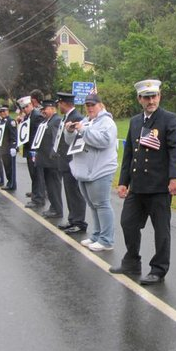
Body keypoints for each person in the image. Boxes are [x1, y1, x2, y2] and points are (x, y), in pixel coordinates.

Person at [115, 79, 176, 285]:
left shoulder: (168, 119)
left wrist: (175, 177)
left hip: (159, 186)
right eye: (146, 97)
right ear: (139, 99)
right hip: (137, 186)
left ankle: (158, 269)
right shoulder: (135, 121)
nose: (151, 100)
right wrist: (123, 181)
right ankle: (132, 261)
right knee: (127, 222)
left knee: (161, 230)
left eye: (154, 96)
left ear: (159, 97)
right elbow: (129, 153)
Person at [63, 92, 118, 251]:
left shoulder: (107, 122)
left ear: (100, 105)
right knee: (92, 205)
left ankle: (107, 240)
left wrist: (83, 131)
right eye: (87, 105)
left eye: (92, 105)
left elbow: (104, 141)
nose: (90, 108)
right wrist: (70, 131)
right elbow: (70, 142)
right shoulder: (86, 121)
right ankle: (96, 235)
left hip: (100, 170)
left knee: (102, 204)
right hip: (84, 171)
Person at [55, 92, 87, 234]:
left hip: (72, 162)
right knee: (69, 192)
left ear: (63, 103)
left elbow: (77, 143)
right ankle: (72, 218)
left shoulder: (77, 118)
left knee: (75, 193)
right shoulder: (67, 117)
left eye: (59, 103)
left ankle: (79, 222)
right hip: (65, 161)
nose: (58, 106)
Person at [31, 97, 63, 218]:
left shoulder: (56, 121)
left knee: (54, 186)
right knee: (49, 186)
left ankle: (57, 209)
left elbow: (56, 140)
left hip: (52, 161)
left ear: (52, 108)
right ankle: (53, 207)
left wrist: (53, 155)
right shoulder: (47, 121)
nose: (43, 111)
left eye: (45, 109)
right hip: (45, 160)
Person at [22, 90, 47, 209]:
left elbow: (38, 134)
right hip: (29, 149)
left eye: (27, 106)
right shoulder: (28, 116)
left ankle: (38, 198)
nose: (25, 109)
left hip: (34, 149)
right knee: (33, 174)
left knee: (37, 174)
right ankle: (35, 195)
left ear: (32, 104)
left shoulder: (37, 116)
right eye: (23, 107)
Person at [0, 105, 18, 191]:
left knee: (11, 167)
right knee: (6, 167)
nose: (3, 113)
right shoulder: (1, 122)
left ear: (8, 111)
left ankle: (12, 184)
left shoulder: (11, 121)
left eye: (4, 111)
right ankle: (9, 182)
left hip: (9, 147)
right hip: (3, 148)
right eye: (1, 112)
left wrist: (13, 146)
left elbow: (13, 135)